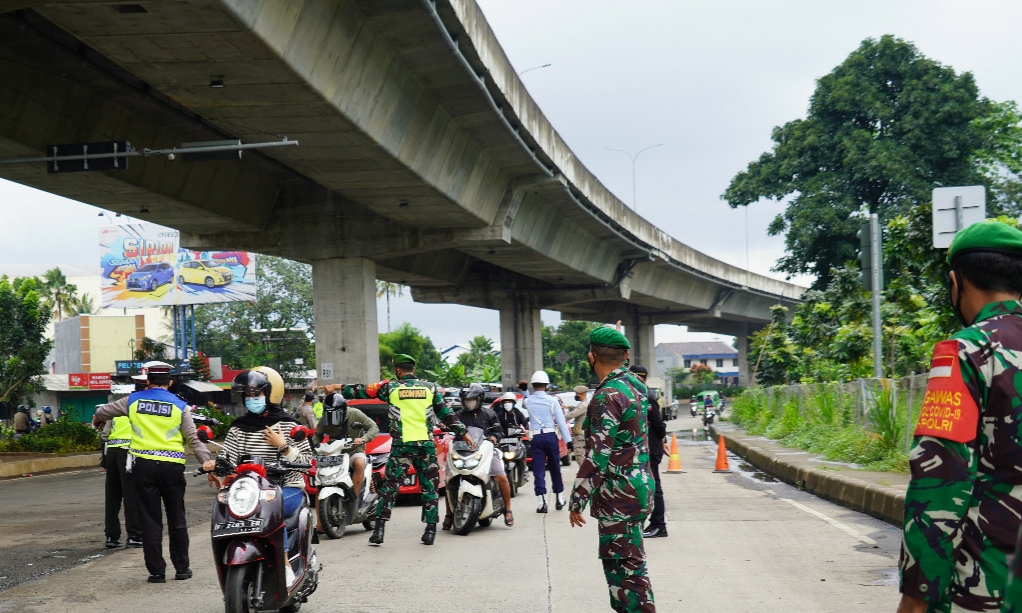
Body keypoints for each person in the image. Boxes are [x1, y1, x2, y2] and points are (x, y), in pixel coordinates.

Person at [897, 221, 1022, 613]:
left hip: (990, 583)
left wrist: (918, 591)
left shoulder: (965, 352)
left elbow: (941, 479)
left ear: (957, 282)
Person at [323, 353, 473, 546]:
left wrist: (336, 388)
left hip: (402, 446)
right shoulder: (429, 388)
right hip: (425, 446)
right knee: (429, 488)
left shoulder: (391, 388)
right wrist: (463, 432)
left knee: (389, 489)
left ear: (398, 370)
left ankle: (379, 531)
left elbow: (362, 391)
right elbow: (446, 414)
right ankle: (429, 532)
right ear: (413, 370)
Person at [92, 361, 213, 583]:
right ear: (170, 382)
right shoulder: (180, 405)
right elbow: (194, 440)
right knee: (177, 517)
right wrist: (207, 463)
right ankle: (182, 568)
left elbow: (102, 412)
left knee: (149, 519)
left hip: (143, 466)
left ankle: (157, 572)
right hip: (172, 467)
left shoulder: (132, 401)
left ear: (147, 381)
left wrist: (97, 419)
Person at [569, 326, 655, 613]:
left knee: (625, 577)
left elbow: (598, 455)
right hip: (638, 487)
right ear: (627, 355)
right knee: (632, 566)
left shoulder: (607, 396)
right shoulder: (636, 386)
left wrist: (578, 498)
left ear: (591, 357)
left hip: (619, 496)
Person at [203, 367, 313, 588]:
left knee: (272, 507)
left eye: (257, 394)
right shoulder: (238, 428)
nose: (252, 399)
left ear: (271, 394)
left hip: (286, 487)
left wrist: (282, 446)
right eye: (248, 395)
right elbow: (228, 458)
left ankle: (285, 566)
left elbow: (307, 461)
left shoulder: (288, 424)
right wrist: (214, 465)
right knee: (224, 510)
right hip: (250, 490)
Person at [442, 384, 515, 529]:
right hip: (461, 451)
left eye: (472, 399)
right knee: (450, 480)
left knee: (501, 477)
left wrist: (494, 437)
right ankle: (449, 514)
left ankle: (508, 509)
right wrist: (445, 426)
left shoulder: (489, 414)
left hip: (484, 451)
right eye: (466, 400)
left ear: (479, 399)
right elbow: (447, 425)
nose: (468, 402)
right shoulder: (458, 415)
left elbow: (499, 431)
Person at [97, 373, 147, 549]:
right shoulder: (143, 406)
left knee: (112, 495)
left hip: (112, 452)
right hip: (129, 453)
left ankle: (111, 537)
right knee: (131, 495)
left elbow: (105, 434)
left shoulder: (121, 405)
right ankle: (134, 535)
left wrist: (104, 458)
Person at [312, 392, 379, 499]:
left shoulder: (355, 414)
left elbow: (373, 427)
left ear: (343, 411)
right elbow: (317, 434)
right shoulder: (325, 418)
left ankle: (354, 500)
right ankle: (320, 515)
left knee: (359, 463)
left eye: (335, 414)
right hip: (334, 453)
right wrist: (316, 446)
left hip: (354, 450)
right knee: (321, 483)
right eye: (330, 414)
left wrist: (363, 439)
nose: (332, 417)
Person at [524, 370, 571, 513]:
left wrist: (525, 390)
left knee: (538, 471)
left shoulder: (528, 401)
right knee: (555, 468)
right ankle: (559, 498)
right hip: (550, 437)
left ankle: (541, 502)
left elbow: (525, 400)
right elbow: (562, 422)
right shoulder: (553, 400)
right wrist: (568, 440)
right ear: (546, 385)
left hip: (536, 438)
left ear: (533, 385)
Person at [630, 365, 668, 539]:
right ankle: (650, 523)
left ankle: (659, 525)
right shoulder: (639, 394)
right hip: (645, 448)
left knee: (654, 487)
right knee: (644, 487)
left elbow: (659, 424)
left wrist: (662, 441)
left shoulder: (646, 396)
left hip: (651, 449)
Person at [564, 385, 590, 465]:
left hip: (580, 435)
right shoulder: (585, 403)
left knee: (579, 455)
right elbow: (577, 408)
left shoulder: (583, 405)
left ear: (582, 394)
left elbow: (573, 414)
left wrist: (558, 419)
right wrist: (568, 407)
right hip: (583, 433)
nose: (576, 396)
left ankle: (584, 475)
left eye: (577, 394)